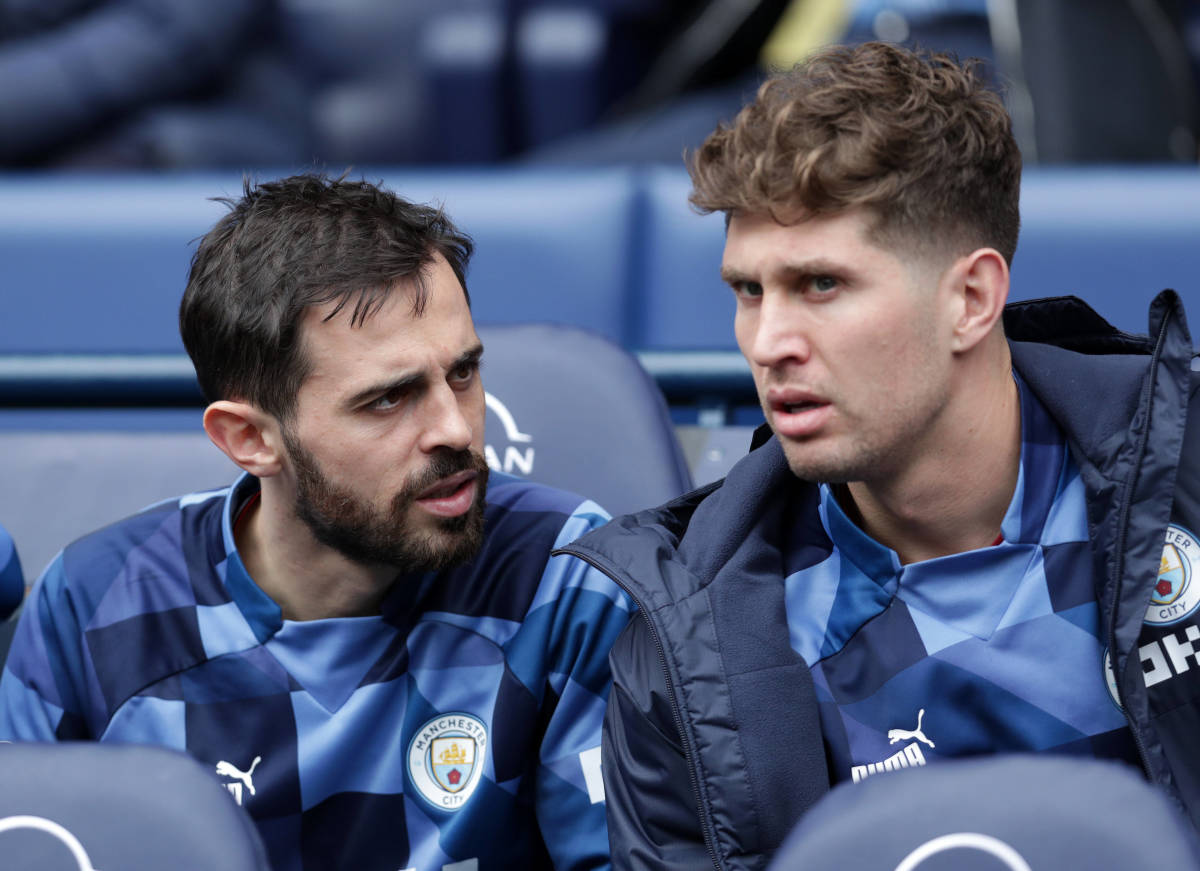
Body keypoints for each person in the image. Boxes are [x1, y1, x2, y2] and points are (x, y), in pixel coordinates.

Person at [559, 41, 1200, 870]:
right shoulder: (689, 645)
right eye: (748, 291)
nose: (768, 343)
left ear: (971, 298)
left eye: (820, 284)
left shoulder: (1184, 472)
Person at [0, 174, 632, 871]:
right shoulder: (92, 602)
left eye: (463, 373)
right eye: (389, 400)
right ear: (250, 439)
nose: (455, 429)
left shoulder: (568, 573)